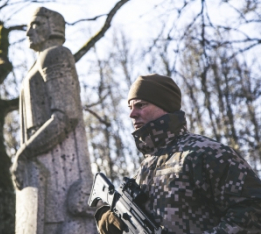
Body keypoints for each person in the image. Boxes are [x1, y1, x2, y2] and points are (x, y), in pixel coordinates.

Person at [95, 74, 261, 234]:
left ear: (164, 106)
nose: (132, 114)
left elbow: (253, 209)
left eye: (141, 105)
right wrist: (114, 220)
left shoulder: (206, 152)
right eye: (130, 108)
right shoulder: (145, 168)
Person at [12, 7, 96, 234]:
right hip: (41, 169)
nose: (29, 32)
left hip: (62, 172)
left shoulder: (55, 55)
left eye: (36, 24)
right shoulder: (38, 63)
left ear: (53, 27)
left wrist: (25, 152)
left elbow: (65, 115)